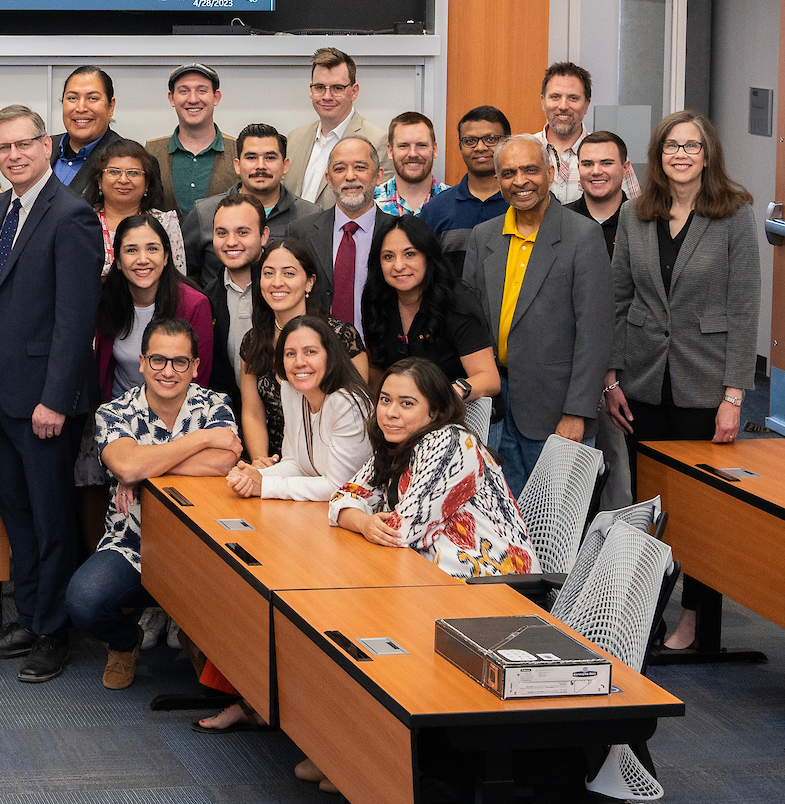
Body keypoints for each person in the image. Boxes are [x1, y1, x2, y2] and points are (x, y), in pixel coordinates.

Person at [605, 110, 761, 653]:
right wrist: (611, 376)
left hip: (706, 384)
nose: (681, 155)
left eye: (692, 146)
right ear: (658, 154)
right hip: (643, 381)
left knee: (704, 512)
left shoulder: (734, 213)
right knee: (650, 504)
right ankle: (643, 612)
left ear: (708, 154)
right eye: (672, 146)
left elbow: (743, 310)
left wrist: (734, 395)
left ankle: (696, 620)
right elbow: (619, 299)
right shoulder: (636, 214)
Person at [0, 105, 102, 684]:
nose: (14, 155)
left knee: (51, 520)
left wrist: (55, 398)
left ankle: (54, 633)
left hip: (42, 400)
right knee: (17, 516)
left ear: (47, 146)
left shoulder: (72, 216)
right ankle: (27, 617)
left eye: (24, 145)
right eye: (3, 147)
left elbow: (76, 318)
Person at [196, 315, 375, 737]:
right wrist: (257, 477)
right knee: (244, 578)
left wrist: (264, 489)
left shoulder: (346, 402)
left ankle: (300, 715)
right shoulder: (293, 393)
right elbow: (295, 460)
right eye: (290, 354)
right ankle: (256, 697)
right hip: (318, 521)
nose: (300, 363)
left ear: (330, 356)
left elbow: (337, 486)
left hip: (355, 527)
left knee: (278, 589)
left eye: (310, 352)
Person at [68, 318, 239, 690]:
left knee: (243, 594)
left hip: (202, 545)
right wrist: (201, 441)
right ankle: (126, 642)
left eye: (180, 362)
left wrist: (144, 469)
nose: (168, 371)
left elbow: (225, 461)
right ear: (143, 362)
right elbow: (126, 464)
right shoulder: (113, 412)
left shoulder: (215, 405)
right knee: (84, 600)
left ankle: (198, 639)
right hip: (133, 544)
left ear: (195, 367)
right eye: (158, 360)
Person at [460, 136, 613, 497]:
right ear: (497, 181)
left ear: (551, 171)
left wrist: (577, 413)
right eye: (509, 173)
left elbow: (595, 334)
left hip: (556, 409)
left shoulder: (583, 236)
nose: (520, 181)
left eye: (530, 170)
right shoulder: (484, 236)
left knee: (557, 521)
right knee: (499, 515)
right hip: (494, 404)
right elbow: (468, 322)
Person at [330, 358, 534, 577]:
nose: (391, 412)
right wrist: (364, 523)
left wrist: (370, 520)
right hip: (428, 575)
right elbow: (341, 499)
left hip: (493, 583)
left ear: (434, 411)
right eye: (385, 400)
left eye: (406, 403)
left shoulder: (452, 443)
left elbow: (400, 532)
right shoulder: (396, 444)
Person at [237, 239, 368, 464]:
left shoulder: (342, 338)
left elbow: (357, 412)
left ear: (309, 282)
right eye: (268, 273)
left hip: (332, 462)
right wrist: (262, 463)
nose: (277, 282)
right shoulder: (253, 340)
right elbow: (252, 413)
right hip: (276, 463)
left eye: (289, 274)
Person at [360, 215, 499, 406]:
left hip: (462, 412)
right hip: (404, 415)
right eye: (388, 257)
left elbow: (489, 379)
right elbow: (376, 368)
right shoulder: (376, 300)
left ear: (428, 256)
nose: (399, 266)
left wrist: (448, 395)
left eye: (410, 254)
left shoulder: (456, 301)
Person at [90, 211, 222, 403]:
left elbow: (198, 380)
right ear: (117, 260)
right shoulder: (104, 300)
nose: (143, 259)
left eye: (152, 249)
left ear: (166, 256)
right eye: (131, 250)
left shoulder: (194, 305)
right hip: (118, 411)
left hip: (176, 412)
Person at [189, 124, 316, 279]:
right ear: (237, 165)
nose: (260, 166)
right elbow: (184, 277)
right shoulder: (204, 213)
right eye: (251, 158)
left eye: (270, 158)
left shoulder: (310, 216)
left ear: (285, 165)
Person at [285, 136, 385, 328]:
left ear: (379, 175)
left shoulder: (397, 233)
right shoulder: (301, 232)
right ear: (328, 179)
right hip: (318, 349)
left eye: (360, 167)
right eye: (339, 169)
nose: (350, 176)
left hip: (381, 352)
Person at [534, 62, 640, 206]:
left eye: (573, 98)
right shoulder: (524, 151)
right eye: (555, 97)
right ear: (543, 102)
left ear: (587, 104)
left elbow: (634, 216)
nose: (563, 106)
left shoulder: (612, 156)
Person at [289, 48, 385, 206]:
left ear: (354, 92)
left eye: (337, 88)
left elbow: (379, 208)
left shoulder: (377, 141)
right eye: (320, 87)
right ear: (311, 91)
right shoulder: (295, 138)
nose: (327, 96)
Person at [200, 191, 268, 385]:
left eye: (242, 232)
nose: (231, 242)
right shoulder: (208, 298)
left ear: (264, 236)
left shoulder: (285, 288)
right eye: (222, 233)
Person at [147, 64, 233, 216]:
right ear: (171, 98)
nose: (193, 99)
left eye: (201, 90)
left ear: (216, 97)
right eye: (184, 91)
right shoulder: (149, 152)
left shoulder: (240, 151)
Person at [90, 143, 187, 274]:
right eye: (114, 171)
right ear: (99, 181)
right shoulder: (82, 221)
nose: (123, 180)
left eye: (134, 173)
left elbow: (177, 281)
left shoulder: (164, 223)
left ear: (147, 184)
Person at [420, 106, 512, 238]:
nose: (480, 147)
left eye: (491, 139)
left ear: (507, 142)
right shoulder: (435, 210)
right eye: (470, 141)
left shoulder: (522, 202)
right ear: (460, 147)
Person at [53, 65, 131, 198]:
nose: (81, 108)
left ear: (111, 106)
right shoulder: (41, 148)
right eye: (72, 98)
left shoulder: (130, 160)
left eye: (92, 98)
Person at [564, 129, 633, 254]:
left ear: (625, 168)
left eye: (606, 163)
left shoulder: (643, 222)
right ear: (579, 168)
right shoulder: (560, 221)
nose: (596, 171)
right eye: (588, 164)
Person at [374, 111, 449, 217]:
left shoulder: (453, 202)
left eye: (421, 145)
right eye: (403, 146)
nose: (413, 154)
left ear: (434, 149)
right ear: (390, 151)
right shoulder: (371, 203)